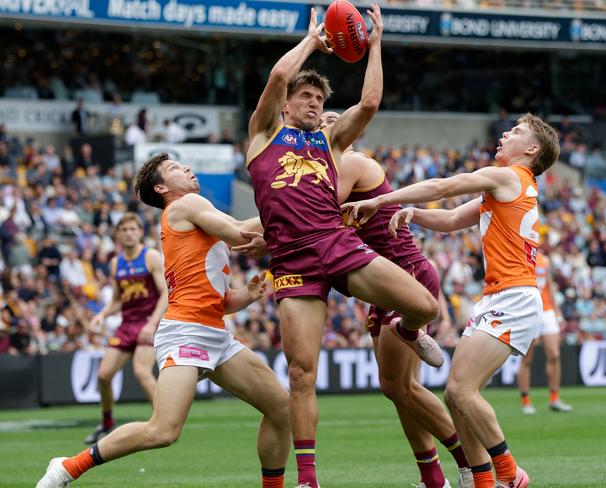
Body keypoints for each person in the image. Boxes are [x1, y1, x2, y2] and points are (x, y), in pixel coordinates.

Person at [246, 7, 442, 488]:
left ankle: (411, 332)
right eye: (306, 96)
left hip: (336, 244)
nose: (313, 102)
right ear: (287, 104)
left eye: (319, 97)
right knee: (301, 373)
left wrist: (375, 45)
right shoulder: (261, 138)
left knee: (424, 305)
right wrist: (312, 41)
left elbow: (370, 103)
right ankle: (308, 480)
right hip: (293, 263)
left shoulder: (331, 144)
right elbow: (277, 74)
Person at [36, 153, 291, 488]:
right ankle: (67, 467)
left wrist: (247, 295)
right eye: (174, 168)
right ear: (162, 187)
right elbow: (241, 236)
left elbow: (224, 296)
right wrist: (295, 212)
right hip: (186, 333)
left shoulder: (199, 214)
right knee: (163, 431)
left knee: (281, 408)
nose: (186, 168)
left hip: (214, 333)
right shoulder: (186, 205)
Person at [343, 113, 560, 488]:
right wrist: (413, 214)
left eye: (517, 131)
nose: (506, 133)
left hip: (514, 298)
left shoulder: (509, 176)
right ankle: (481, 481)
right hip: (501, 298)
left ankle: (509, 473)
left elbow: (448, 184)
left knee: (461, 390)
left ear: (531, 149)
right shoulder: (507, 189)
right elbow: (451, 218)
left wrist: (385, 201)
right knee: (456, 395)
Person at [321, 111, 472, 488]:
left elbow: (317, 213)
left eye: (332, 117)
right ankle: (433, 479)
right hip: (384, 281)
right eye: (322, 118)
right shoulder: (332, 169)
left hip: (404, 274)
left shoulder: (350, 162)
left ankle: (472, 463)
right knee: (403, 392)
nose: (325, 122)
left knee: (397, 387)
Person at [81, 212, 167, 445]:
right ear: (117, 234)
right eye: (124, 230)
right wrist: (101, 314)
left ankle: (165, 423)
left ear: (140, 232)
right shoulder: (115, 262)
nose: (129, 233)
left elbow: (166, 294)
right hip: (126, 324)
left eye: (133, 229)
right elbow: (118, 300)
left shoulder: (150, 257)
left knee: (141, 372)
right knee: (104, 375)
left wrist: (152, 323)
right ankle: (107, 424)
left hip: (148, 322)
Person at [517, 250, 572, 415]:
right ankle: (526, 400)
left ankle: (554, 398)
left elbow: (549, 287)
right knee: (527, 358)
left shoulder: (544, 260)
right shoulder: (520, 256)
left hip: (547, 310)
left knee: (554, 354)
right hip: (529, 310)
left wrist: (557, 312)